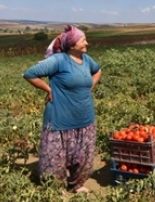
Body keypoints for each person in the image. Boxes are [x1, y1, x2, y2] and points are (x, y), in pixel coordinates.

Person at [23, 25, 102, 193]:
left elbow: (98, 70)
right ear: (72, 44)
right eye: (83, 40)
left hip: (84, 117)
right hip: (60, 118)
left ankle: (76, 185)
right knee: (54, 159)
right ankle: (55, 190)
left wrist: (91, 86)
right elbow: (30, 74)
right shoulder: (59, 60)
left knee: (83, 158)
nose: (87, 43)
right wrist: (48, 89)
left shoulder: (87, 60)